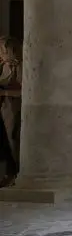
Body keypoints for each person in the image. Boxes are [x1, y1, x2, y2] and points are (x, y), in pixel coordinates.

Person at [0, 36, 22, 187]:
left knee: (12, 139)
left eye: (2, 49)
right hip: (4, 106)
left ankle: (16, 173)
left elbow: (25, 91)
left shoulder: (19, 66)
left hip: (15, 106)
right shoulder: (3, 65)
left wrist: (3, 93)